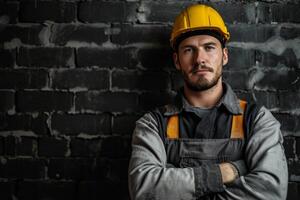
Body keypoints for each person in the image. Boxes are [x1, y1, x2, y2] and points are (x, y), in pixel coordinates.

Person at [128, 4, 288, 200]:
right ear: (177, 61)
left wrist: (175, 182)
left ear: (225, 56)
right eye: (189, 50)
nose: (200, 59)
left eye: (209, 47)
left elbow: (271, 192)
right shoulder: (153, 124)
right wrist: (232, 170)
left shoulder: (257, 120)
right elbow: (143, 189)